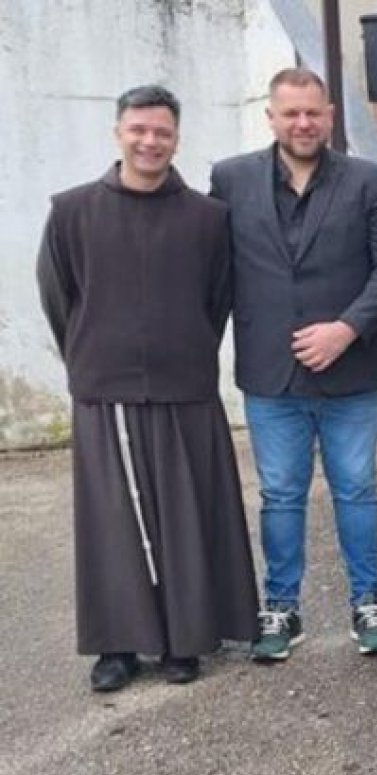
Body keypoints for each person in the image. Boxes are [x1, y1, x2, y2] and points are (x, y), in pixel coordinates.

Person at [36, 85, 258, 692]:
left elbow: (218, 300)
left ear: (176, 138)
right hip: (103, 387)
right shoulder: (72, 211)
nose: (149, 141)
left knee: (186, 515)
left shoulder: (208, 218)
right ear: (118, 133)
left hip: (185, 384)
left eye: (162, 131)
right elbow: (59, 298)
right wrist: (92, 355)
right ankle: (118, 646)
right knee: (112, 521)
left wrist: (182, 347)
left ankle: (185, 640)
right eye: (138, 130)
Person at [210, 68, 377, 660]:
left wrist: (346, 329)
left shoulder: (368, 180)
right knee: (280, 495)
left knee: (356, 490)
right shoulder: (230, 178)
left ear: (330, 116)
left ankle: (368, 602)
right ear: (270, 117)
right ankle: (281, 607)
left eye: (313, 112)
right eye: (291, 113)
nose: (303, 123)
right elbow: (213, 269)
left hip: (353, 371)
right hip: (270, 372)